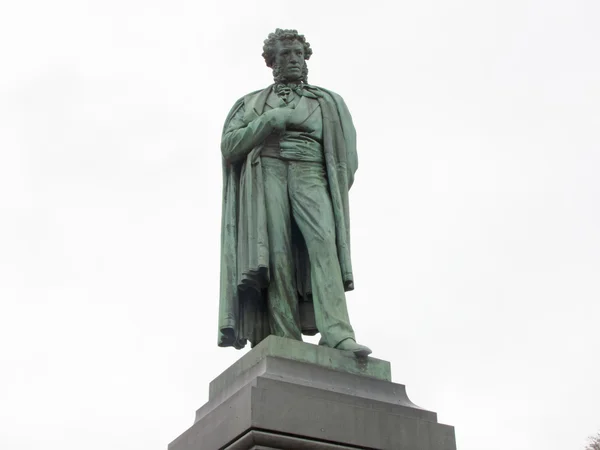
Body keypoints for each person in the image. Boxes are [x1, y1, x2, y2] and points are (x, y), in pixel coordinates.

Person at [217, 28, 371, 357]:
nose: (294, 60)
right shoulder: (251, 104)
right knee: (276, 254)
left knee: (323, 245)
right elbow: (230, 146)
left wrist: (331, 187)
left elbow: (348, 159)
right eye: (286, 54)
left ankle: (338, 334)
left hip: (311, 172)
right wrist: (269, 121)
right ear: (272, 61)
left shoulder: (328, 102)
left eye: (299, 54)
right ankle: (285, 335)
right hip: (267, 170)